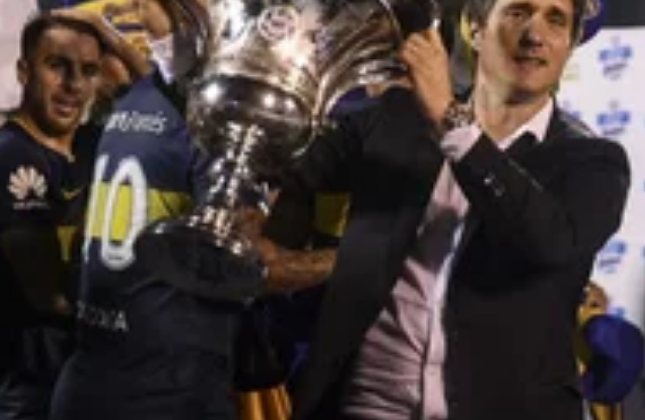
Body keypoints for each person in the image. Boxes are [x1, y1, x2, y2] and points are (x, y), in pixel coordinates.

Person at [252, 0, 631, 418]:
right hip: (369, 406)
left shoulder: (593, 161)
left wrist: (453, 123)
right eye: (518, 12)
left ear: (571, 45)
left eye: (555, 20)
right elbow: (280, 170)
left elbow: (549, 243)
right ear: (475, 28)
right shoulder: (393, 118)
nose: (534, 35)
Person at [49, 1, 241, 419]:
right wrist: (350, 263)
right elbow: (246, 259)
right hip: (165, 390)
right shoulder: (217, 116)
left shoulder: (139, 100)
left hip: (89, 380)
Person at [0, 12, 111, 420]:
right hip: (29, 384)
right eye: (57, 66)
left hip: (83, 372)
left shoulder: (95, 144)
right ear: (24, 71)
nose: (74, 85)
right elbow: (48, 295)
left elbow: (160, 94)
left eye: (88, 71)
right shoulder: (11, 155)